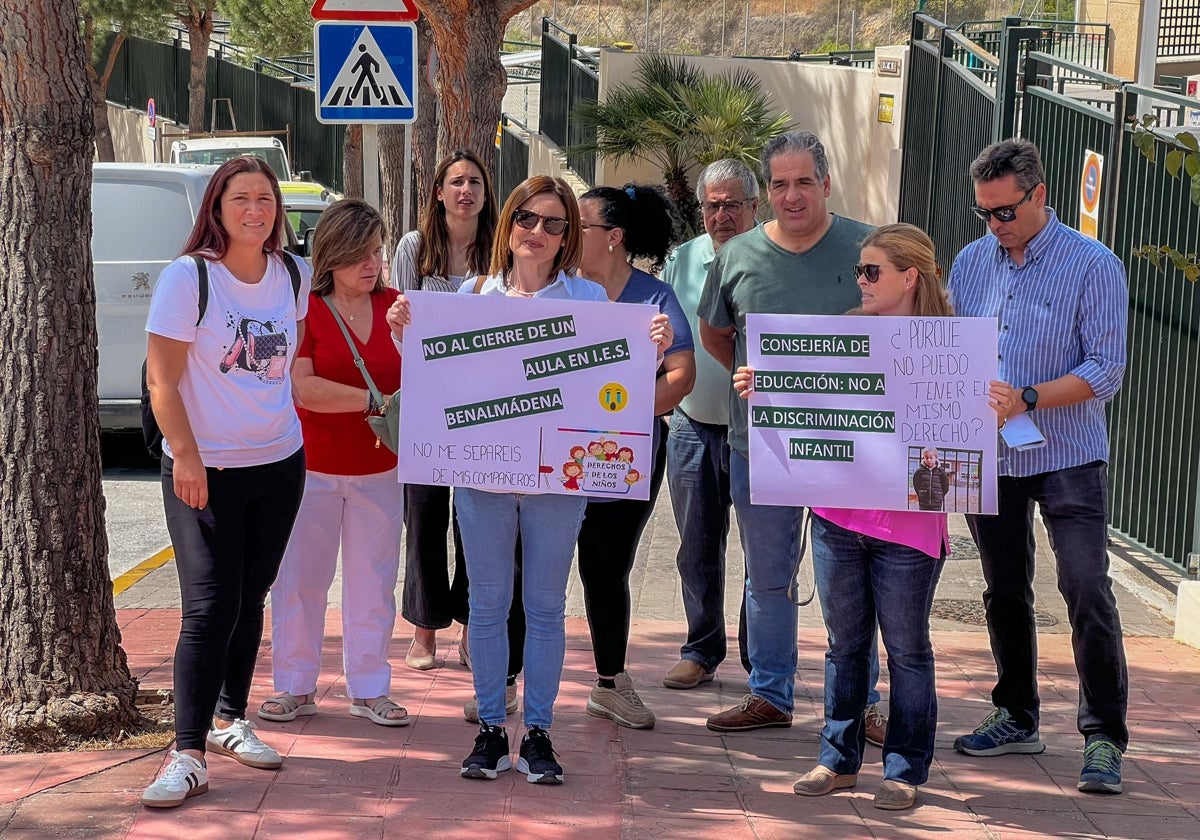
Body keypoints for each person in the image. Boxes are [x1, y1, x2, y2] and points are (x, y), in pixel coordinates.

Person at [387, 176, 671, 785]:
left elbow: (615, 386)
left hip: (557, 485)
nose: (536, 233)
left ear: (568, 235)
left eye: (553, 223)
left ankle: (539, 733)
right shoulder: (472, 293)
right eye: (526, 219)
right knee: (487, 608)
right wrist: (404, 330)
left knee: (545, 608)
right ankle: (491, 729)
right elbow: (437, 380)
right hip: (483, 479)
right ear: (507, 224)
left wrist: (652, 347)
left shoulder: (592, 302)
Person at [734, 223, 956, 811]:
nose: (860, 280)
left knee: (907, 649)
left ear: (910, 276)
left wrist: (996, 404)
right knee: (844, 645)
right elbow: (806, 400)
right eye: (858, 270)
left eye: (871, 271)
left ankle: (905, 769)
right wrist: (766, 386)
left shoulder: (951, 348)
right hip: (837, 516)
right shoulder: (840, 335)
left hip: (908, 527)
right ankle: (838, 759)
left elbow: (968, 441)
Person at [947, 139, 1130, 795]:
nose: (995, 225)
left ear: (1039, 195)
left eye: (1004, 212)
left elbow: (1106, 371)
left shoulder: (1093, 265)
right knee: (1002, 589)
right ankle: (1017, 715)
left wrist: (1027, 396)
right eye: (985, 213)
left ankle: (1104, 737)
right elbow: (943, 344)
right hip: (989, 454)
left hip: (1069, 455)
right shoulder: (970, 264)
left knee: (1085, 586)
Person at [699, 131, 889, 737]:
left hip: (854, 445)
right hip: (763, 444)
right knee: (767, 574)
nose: (791, 195)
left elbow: (905, 324)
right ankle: (770, 694)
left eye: (803, 181)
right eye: (779, 184)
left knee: (856, 576)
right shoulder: (736, 257)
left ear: (826, 184)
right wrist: (768, 386)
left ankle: (865, 701)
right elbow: (718, 336)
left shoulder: (868, 247)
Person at [140, 156, 310, 808]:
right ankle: (186, 754)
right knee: (209, 607)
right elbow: (163, 382)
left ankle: (231, 719)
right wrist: (185, 457)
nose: (255, 211)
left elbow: (282, 371)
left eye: (265, 199)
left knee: (249, 595)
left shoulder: (291, 272)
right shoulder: (190, 278)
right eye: (241, 199)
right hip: (203, 470)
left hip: (278, 464)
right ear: (217, 207)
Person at [258, 199, 407, 728]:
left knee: (373, 581)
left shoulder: (398, 308)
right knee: (300, 580)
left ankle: (370, 688)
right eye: (357, 254)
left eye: (375, 252)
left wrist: (408, 336)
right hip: (312, 467)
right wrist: (373, 400)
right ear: (330, 256)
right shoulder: (307, 309)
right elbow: (303, 388)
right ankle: (294, 687)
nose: (370, 264)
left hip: (381, 469)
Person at [575, 183, 694, 729]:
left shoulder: (655, 299)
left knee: (606, 564)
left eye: (578, 227)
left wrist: (619, 411)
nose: (565, 237)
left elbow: (681, 376)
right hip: (556, 455)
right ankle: (505, 681)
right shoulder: (560, 291)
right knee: (531, 560)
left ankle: (611, 681)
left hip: (630, 454)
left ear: (613, 237)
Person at [390, 149, 501, 675]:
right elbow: (399, 325)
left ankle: (474, 628)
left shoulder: (500, 250)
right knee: (426, 516)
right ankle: (425, 628)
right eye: (456, 181)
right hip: (427, 403)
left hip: (489, 407)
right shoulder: (414, 248)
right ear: (438, 192)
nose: (466, 191)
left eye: (475, 182)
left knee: (478, 519)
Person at [660, 158, 758, 692]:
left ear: (754, 207)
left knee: (764, 550)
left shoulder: (771, 258)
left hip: (759, 434)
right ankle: (700, 649)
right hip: (693, 425)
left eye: (732, 205)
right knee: (696, 547)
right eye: (712, 205)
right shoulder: (683, 258)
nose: (721, 215)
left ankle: (759, 660)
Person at [913, 447, 949, 511]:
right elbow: (916, 484)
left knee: (935, 519)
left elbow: (945, 486)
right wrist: (921, 493)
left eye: (931, 458)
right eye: (926, 458)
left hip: (936, 503)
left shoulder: (941, 472)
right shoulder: (920, 471)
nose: (928, 460)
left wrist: (939, 494)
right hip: (924, 502)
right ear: (924, 458)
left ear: (936, 458)